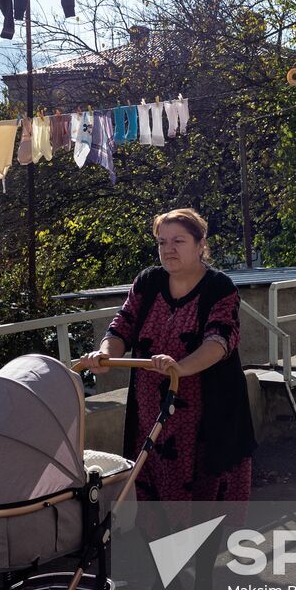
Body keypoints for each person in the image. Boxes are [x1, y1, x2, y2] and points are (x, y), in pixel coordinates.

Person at [76, 207, 255, 504]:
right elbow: (122, 327)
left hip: (207, 425)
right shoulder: (147, 283)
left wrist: (180, 368)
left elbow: (219, 341)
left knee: (202, 515)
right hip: (152, 423)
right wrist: (104, 356)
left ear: (201, 245)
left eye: (178, 241)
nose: (168, 249)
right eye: (162, 242)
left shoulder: (219, 288)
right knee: (151, 509)